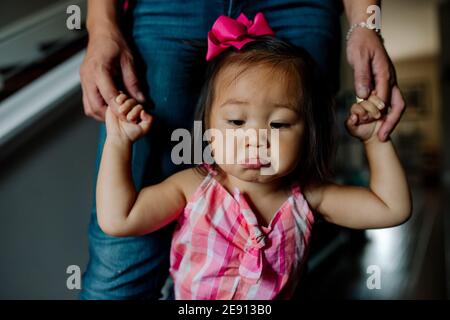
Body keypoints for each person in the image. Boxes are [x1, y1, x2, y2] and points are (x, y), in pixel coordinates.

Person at [79, 0, 406, 299]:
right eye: (236, 122)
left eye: (279, 125)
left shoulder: (307, 196)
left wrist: (374, 139)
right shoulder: (192, 188)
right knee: (118, 273)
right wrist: (118, 143)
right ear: (206, 130)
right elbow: (118, 220)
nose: (256, 139)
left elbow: (391, 208)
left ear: (308, 133)